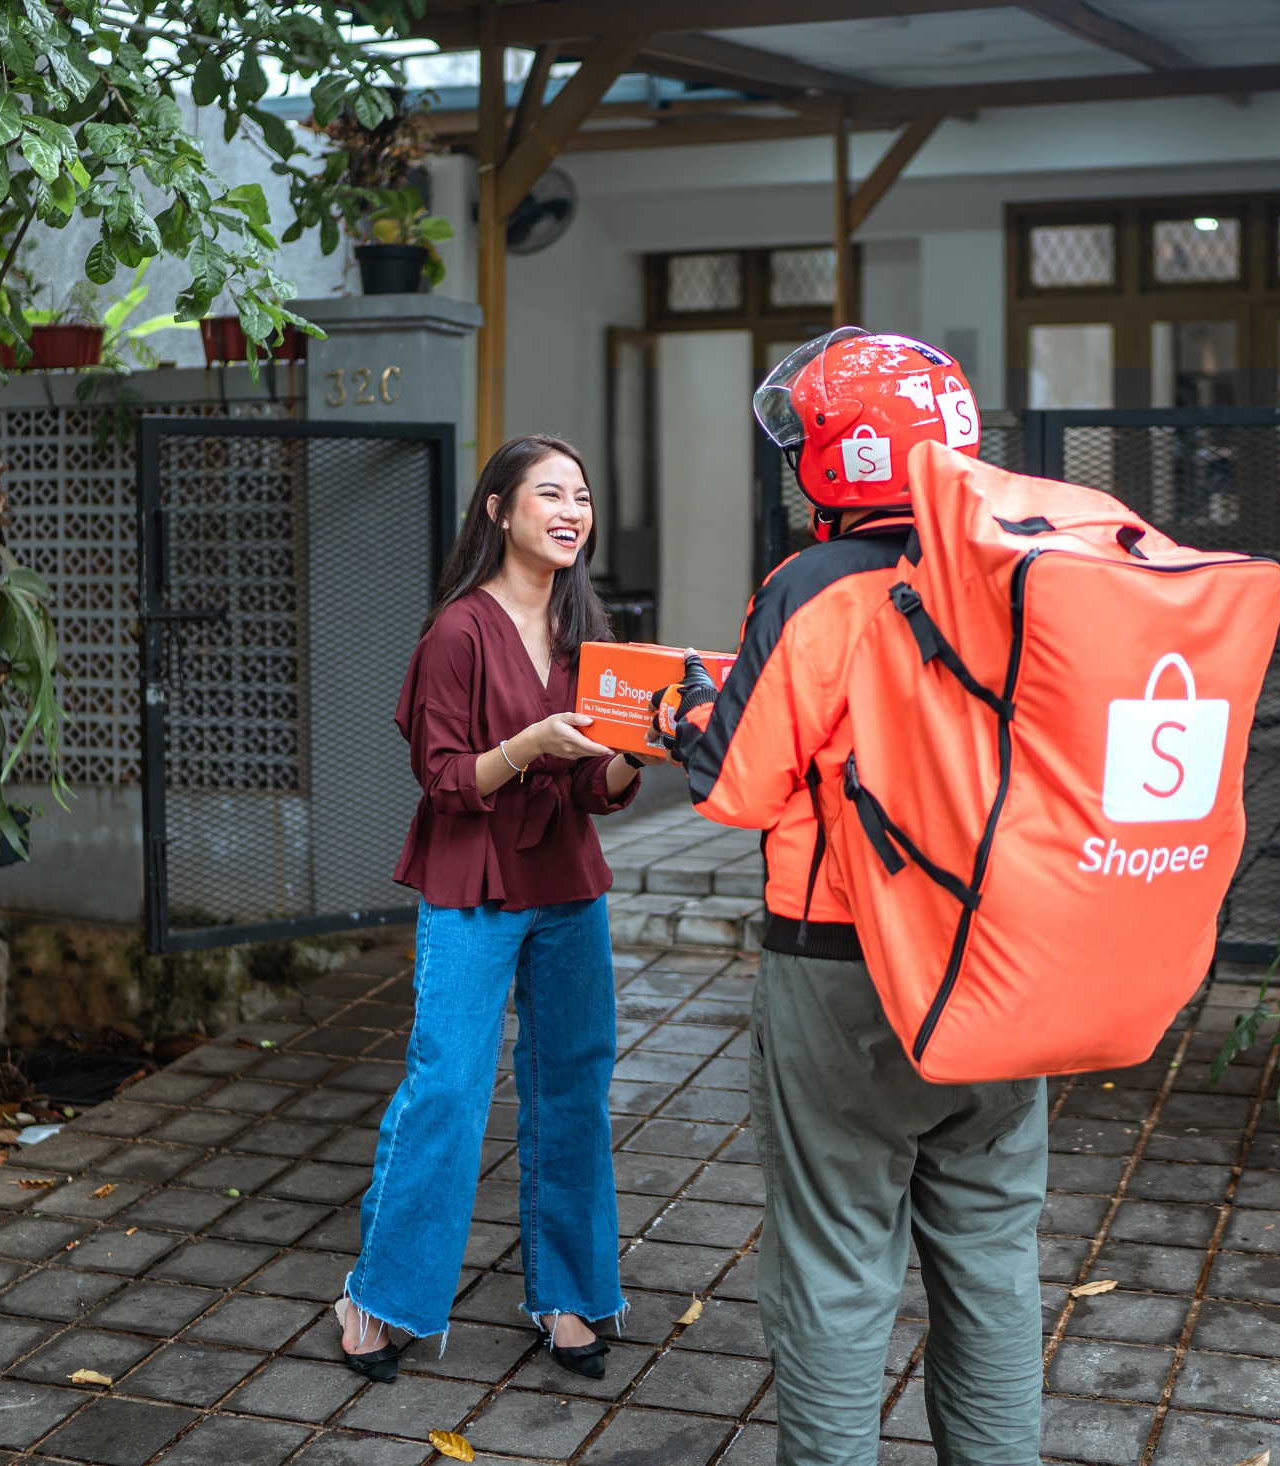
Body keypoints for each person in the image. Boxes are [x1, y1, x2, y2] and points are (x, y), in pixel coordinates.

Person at [660, 331, 1049, 1465]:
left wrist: (697, 712)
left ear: (837, 461)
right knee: (990, 1258)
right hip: (1007, 967)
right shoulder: (1030, 566)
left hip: (843, 969)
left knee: (835, 1261)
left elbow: (737, 788)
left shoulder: (811, 587)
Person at [338, 433, 642, 1383]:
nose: (570, 512)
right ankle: (377, 1296)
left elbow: (597, 788)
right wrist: (531, 744)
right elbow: (440, 778)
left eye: (582, 497)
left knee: (573, 1086)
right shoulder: (456, 633)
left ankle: (566, 1295)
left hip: (566, 886)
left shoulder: (588, 628)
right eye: (549, 494)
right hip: (470, 878)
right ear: (498, 511)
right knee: (448, 1086)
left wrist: (645, 748)